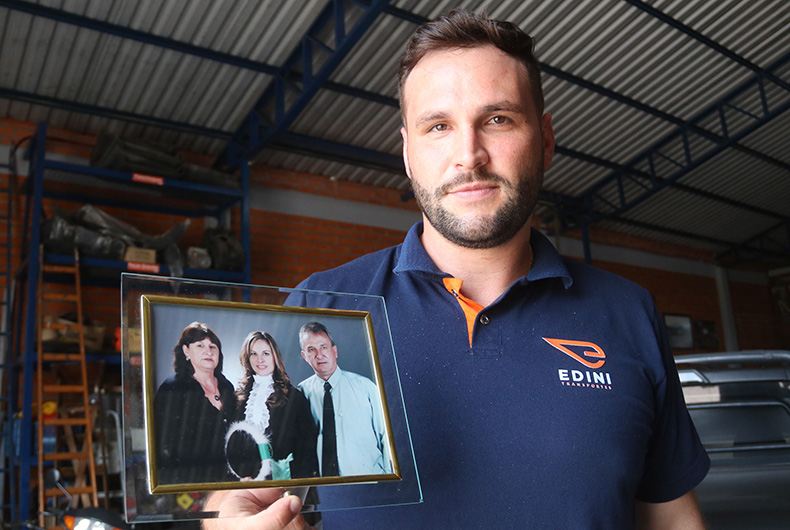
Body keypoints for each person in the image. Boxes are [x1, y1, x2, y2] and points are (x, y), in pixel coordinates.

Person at [204, 8, 709, 528]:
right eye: (439, 126)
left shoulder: (627, 311)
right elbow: (239, 492)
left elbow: (673, 516)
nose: (469, 155)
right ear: (408, 152)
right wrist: (225, 520)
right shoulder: (322, 304)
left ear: (546, 139)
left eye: (498, 119)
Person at [297, 322, 390, 477]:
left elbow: (385, 436)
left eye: (323, 347)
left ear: (335, 351)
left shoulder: (366, 387)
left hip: (369, 481)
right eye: (311, 349)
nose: (319, 355)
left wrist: (388, 478)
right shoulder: (300, 393)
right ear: (304, 356)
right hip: (323, 484)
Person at [228, 331, 319, 480]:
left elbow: (307, 447)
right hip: (246, 482)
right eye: (253, 354)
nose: (260, 360)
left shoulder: (294, 396)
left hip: (284, 480)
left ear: (274, 356)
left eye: (266, 353)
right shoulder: (238, 397)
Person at [154, 321, 236, 485]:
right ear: (186, 351)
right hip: (188, 482)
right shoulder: (172, 388)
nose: (208, 351)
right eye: (200, 345)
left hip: (226, 478)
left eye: (213, 346)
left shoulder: (227, 386)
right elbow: (163, 445)